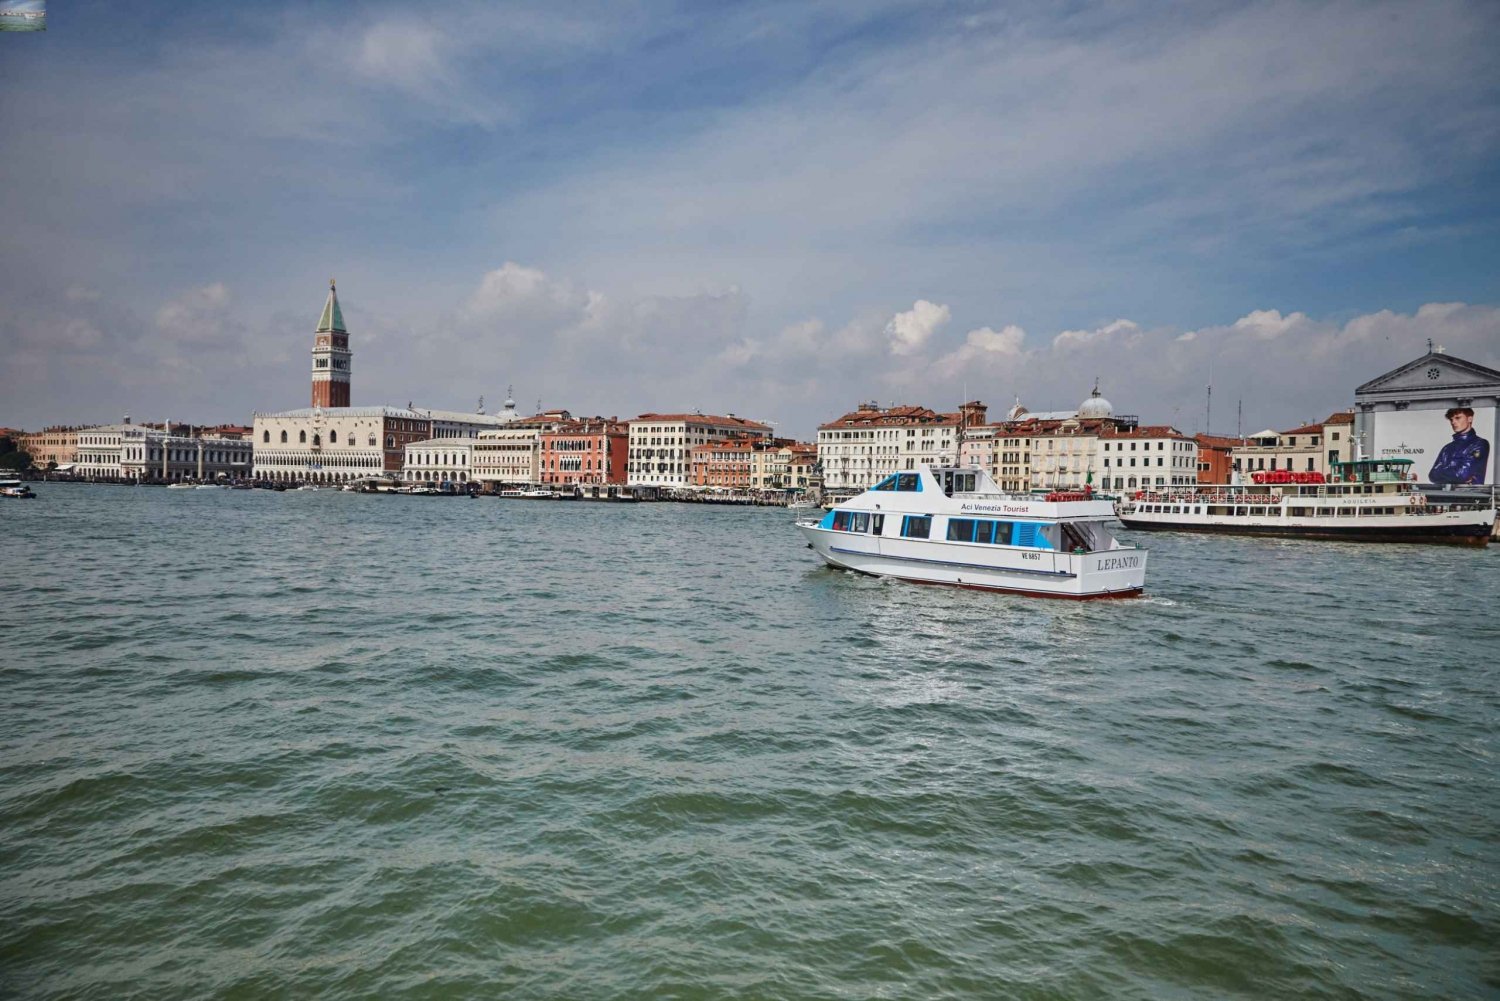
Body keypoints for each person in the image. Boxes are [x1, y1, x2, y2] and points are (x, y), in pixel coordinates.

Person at [1428, 407, 1490, 485]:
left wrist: (1442, 473)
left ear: (1469, 419)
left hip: (1469, 495)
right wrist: (1456, 475)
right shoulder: (1447, 448)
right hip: (1445, 494)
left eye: (1457, 418)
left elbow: (1461, 475)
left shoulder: (1480, 444)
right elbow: (1432, 476)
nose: (1453, 422)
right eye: (1451, 419)